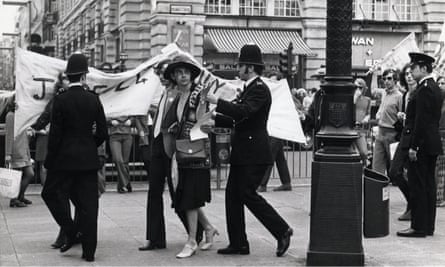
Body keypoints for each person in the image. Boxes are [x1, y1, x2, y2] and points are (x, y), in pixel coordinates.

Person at [205, 43, 293, 257]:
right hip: (243, 152)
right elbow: (239, 118)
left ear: (250, 68)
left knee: (247, 194)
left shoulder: (260, 89)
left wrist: (219, 102)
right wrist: (215, 119)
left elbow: (245, 111)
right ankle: (239, 243)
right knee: (232, 196)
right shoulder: (248, 89)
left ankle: (282, 230)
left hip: (254, 153)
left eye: (241, 64)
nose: (238, 68)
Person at [43, 53, 108, 261]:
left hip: (64, 161)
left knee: (50, 194)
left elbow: (55, 135)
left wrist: (49, 161)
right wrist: (89, 145)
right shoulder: (94, 99)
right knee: (89, 205)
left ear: (69, 76)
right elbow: (102, 133)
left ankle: (70, 230)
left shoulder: (60, 100)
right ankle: (89, 252)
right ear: (84, 76)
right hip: (88, 161)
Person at [138, 59, 204, 252]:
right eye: (159, 74)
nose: (160, 78)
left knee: (179, 192)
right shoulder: (163, 94)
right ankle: (155, 238)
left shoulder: (182, 94)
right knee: (154, 191)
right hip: (158, 144)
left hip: (175, 147)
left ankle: (198, 231)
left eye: (162, 74)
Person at [162, 55, 218, 258]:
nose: (183, 75)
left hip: (196, 151)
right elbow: (184, 120)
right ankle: (209, 228)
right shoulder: (178, 96)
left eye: (186, 71)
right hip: (184, 150)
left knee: (190, 197)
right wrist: (178, 126)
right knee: (186, 195)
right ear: (174, 77)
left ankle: (192, 240)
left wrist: (201, 124)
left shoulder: (198, 93)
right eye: (178, 72)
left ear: (191, 74)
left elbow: (208, 118)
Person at [397, 52, 443, 238]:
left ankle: (418, 226)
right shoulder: (434, 88)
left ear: (424, 68)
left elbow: (421, 121)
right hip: (431, 142)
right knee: (429, 186)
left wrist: (414, 147)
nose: (412, 71)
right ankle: (428, 226)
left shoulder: (424, 89)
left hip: (422, 144)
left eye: (414, 67)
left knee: (418, 185)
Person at [388, 64, 417, 221]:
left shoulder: (420, 93)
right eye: (406, 74)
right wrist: (401, 118)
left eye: (411, 73)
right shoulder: (405, 95)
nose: (409, 76)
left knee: (413, 175)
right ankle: (412, 203)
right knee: (394, 172)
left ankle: (413, 208)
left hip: (415, 139)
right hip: (404, 138)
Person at [5, 96, 35, 208]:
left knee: (29, 174)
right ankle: (15, 198)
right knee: (17, 176)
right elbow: (9, 135)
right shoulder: (11, 116)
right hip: (16, 149)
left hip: (24, 149)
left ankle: (20, 196)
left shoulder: (19, 116)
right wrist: (8, 153)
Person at [372, 69, 403, 177]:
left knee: (394, 169)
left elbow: (402, 116)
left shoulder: (399, 96)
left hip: (392, 134)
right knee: (376, 166)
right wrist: (374, 75)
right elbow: (373, 90)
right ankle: (377, 189)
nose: (386, 81)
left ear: (395, 80)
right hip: (380, 132)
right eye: (384, 78)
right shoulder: (384, 92)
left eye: (389, 78)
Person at [107, 115, 134, 193]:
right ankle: (126, 182)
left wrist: (131, 121)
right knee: (117, 159)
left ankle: (121, 186)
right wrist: (110, 121)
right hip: (114, 135)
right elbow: (105, 114)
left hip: (127, 135)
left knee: (125, 162)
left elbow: (135, 115)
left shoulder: (128, 103)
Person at [353, 78, 371, 167]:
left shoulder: (367, 100)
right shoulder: (350, 98)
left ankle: (364, 167)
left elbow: (368, 113)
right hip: (350, 128)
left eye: (360, 87)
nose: (358, 90)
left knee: (363, 152)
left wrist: (366, 118)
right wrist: (354, 98)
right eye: (356, 87)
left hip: (360, 129)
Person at [435, 75, 445, 207]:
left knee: (441, 168)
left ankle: (440, 197)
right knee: (437, 167)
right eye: (439, 83)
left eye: (444, 83)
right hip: (436, 135)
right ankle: (438, 196)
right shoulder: (435, 101)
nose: (441, 85)